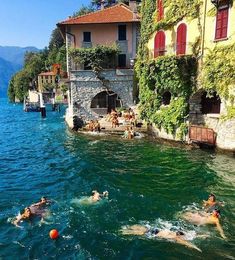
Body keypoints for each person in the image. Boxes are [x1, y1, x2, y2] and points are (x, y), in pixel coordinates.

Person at [120, 225, 201, 252]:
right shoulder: (176, 238)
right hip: (154, 233)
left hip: (155, 229)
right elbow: (187, 243)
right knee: (139, 232)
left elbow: (190, 236)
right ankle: (122, 231)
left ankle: (123, 229)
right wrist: (195, 247)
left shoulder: (174, 233)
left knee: (140, 229)